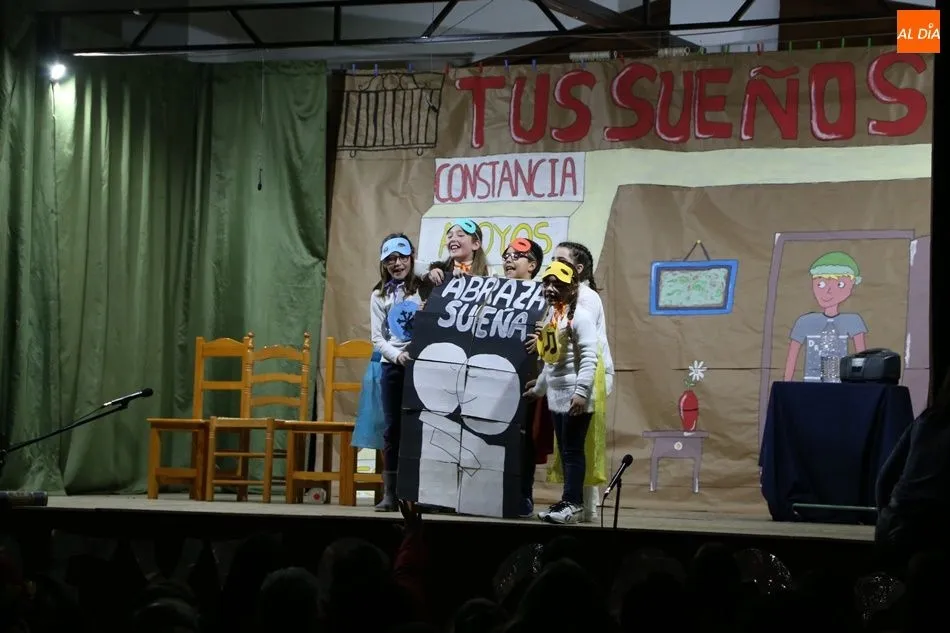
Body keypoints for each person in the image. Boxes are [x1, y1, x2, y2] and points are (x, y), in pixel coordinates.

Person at [524, 261, 599, 524]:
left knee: (572, 451)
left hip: (574, 397)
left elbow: (590, 357)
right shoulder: (552, 316)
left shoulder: (581, 317)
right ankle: (569, 502)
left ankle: (573, 503)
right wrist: (540, 389)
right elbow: (550, 360)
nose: (551, 288)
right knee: (566, 451)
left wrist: (581, 392)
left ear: (573, 287)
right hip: (556, 397)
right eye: (548, 283)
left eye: (558, 284)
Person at [550, 241, 613, 522]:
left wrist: (581, 388)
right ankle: (582, 509)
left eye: (560, 260)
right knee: (573, 446)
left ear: (577, 270)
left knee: (577, 446)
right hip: (570, 378)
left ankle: (581, 507)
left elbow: (585, 349)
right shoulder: (558, 303)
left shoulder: (584, 299)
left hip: (589, 376)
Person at [370, 233, 423, 512]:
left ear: (411, 257)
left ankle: (418, 491)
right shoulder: (379, 295)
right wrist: (397, 356)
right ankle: (391, 492)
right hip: (393, 367)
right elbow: (377, 338)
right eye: (390, 259)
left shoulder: (423, 286)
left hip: (423, 366)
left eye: (402, 257)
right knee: (393, 430)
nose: (397, 263)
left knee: (421, 427)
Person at [875, 369, 950, 568]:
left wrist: (885, 515)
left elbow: (885, 477)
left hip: (893, 522)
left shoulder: (923, 421)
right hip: (928, 531)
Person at [501, 238, 544, 518]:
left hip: (527, 378)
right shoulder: (491, 290)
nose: (509, 259)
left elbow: (559, 336)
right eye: (507, 254)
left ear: (532, 265)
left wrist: (543, 337)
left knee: (523, 438)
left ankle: (523, 494)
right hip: (494, 377)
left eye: (518, 255)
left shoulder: (545, 296)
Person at [425, 219, 489, 285]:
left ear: (475, 244)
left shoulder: (489, 273)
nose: (453, 239)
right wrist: (429, 277)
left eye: (460, 235)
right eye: (449, 236)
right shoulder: (438, 269)